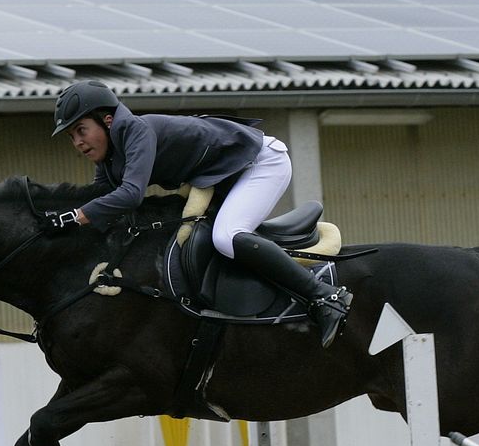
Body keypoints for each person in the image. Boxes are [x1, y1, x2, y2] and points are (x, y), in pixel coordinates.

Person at [48, 80, 352, 348]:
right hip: (225, 176)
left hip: (261, 162)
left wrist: (73, 216)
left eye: (81, 130)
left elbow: (130, 195)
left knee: (226, 237)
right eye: (72, 136)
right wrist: (57, 222)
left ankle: (325, 297)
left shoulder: (135, 130)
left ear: (108, 120)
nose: (78, 143)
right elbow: (99, 199)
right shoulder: (110, 157)